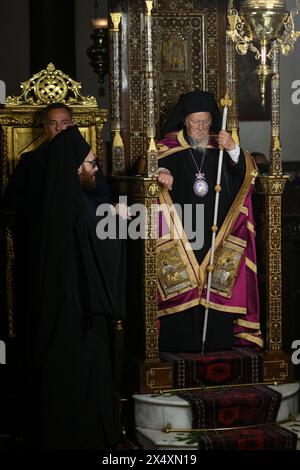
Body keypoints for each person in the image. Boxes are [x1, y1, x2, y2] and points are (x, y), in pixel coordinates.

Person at [7, 125, 126, 449]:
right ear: (75, 168)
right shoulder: (77, 207)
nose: (96, 170)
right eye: (91, 164)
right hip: (79, 317)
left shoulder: (54, 202)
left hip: (55, 316)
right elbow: (101, 242)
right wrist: (118, 218)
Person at [156, 90, 263, 352]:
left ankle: (217, 343)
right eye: (196, 122)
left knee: (215, 284)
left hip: (220, 230)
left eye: (206, 122)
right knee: (185, 285)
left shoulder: (222, 143)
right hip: (183, 231)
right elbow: (150, 165)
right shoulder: (168, 146)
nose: (202, 128)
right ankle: (178, 345)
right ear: (184, 120)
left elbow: (247, 176)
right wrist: (162, 170)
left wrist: (235, 150)